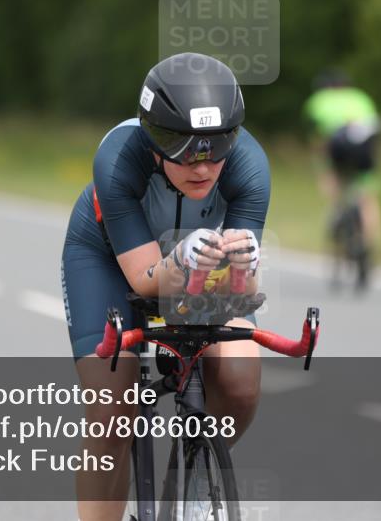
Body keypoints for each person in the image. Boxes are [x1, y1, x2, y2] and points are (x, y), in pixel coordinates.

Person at [60, 52, 269, 521]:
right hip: (110, 260)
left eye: (217, 147)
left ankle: (193, 484)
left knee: (239, 381)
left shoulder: (250, 165)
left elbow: (242, 287)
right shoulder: (118, 157)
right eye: (185, 149)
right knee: (112, 410)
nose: (203, 166)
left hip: (201, 264)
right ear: (154, 139)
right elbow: (145, 280)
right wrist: (179, 259)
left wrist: (246, 264)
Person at [303, 69, 381, 278]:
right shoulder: (361, 98)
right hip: (365, 150)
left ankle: (338, 217)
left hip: (337, 149)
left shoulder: (319, 100)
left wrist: (324, 173)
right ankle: (366, 243)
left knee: (337, 192)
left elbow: (318, 140)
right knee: (367, 199)